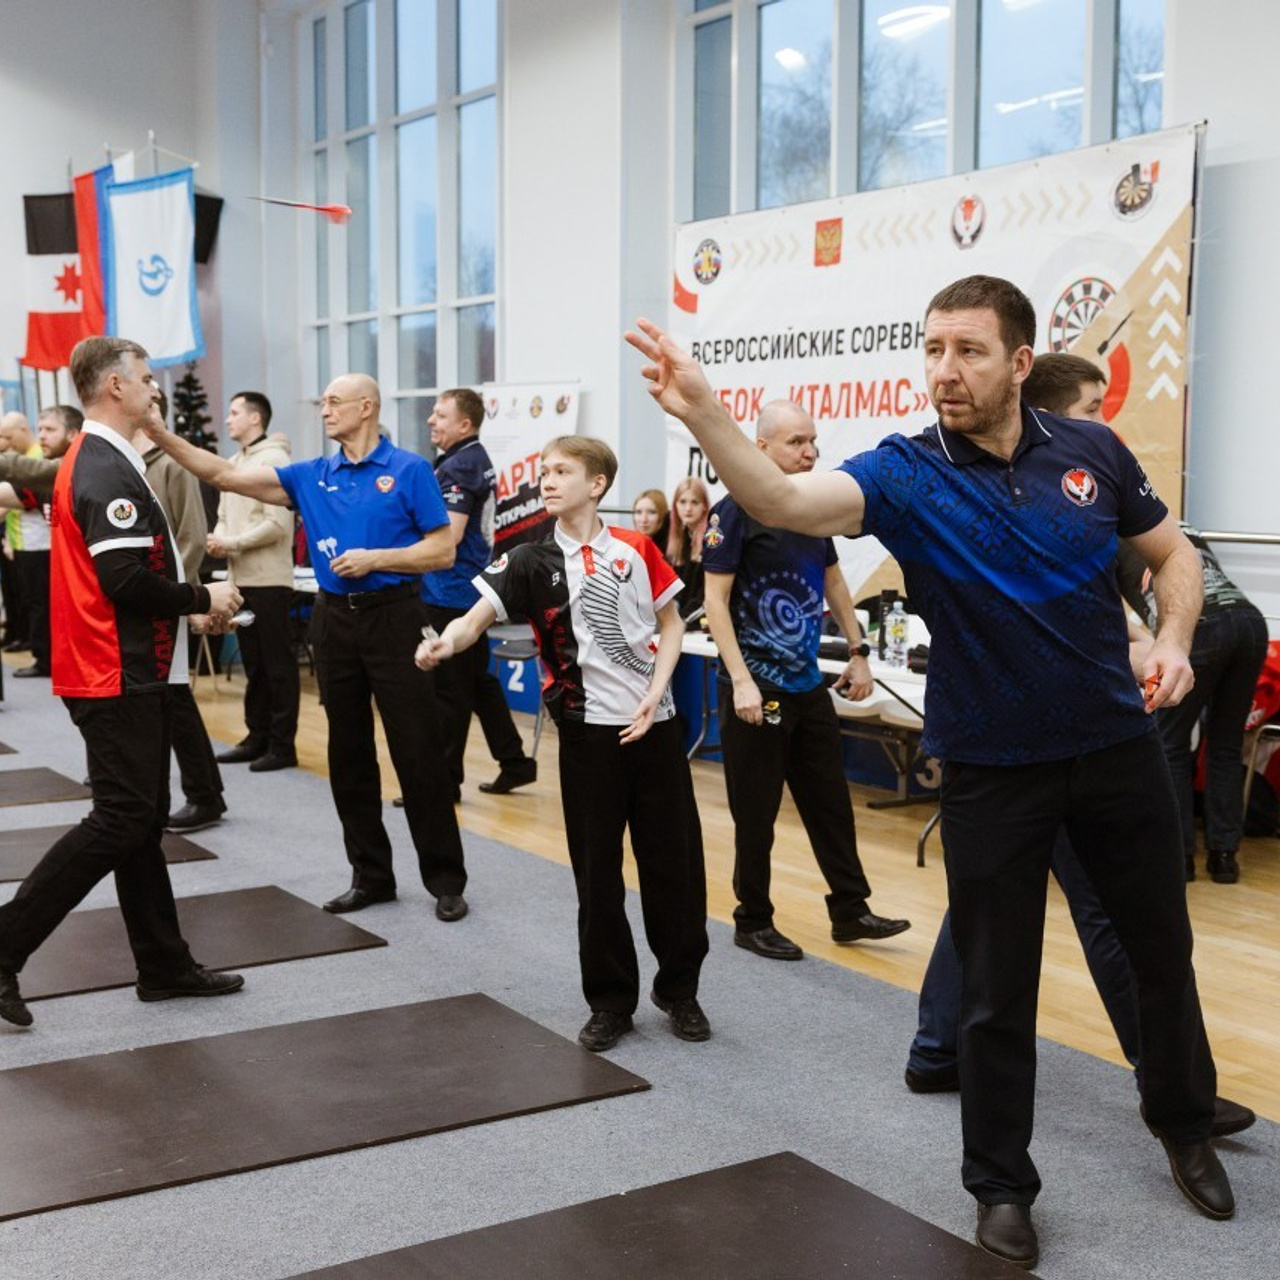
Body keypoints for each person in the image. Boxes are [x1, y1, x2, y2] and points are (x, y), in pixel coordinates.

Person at [626, 275, 1233, 1271]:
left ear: (1018, 362)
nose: (943, 369)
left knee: (1160, 953)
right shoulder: (905, 473)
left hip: (1114, 748)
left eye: (967, 350)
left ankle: (1179, 1120)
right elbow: (778, 496)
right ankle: (998, 1182)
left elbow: (1170, 556)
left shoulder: (1090, 452)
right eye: (932, 348)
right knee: (996, 987)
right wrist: (706, 412)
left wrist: (1169, 638)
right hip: (993, 765)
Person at [139, 372, 468, 923]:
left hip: (395, 618)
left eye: (334, 402)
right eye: (322, 403)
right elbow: (220, 472)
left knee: (417, 750)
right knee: (348, 752)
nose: (324, 410)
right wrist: (157, 429)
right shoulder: (312, 475)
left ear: (367, 407)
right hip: (334, 622)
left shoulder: (409, 469)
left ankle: (445, 880)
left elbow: (441, 551)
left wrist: (376, 559)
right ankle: (371, 876)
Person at [416, 437, 710, 1053]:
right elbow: (475, 617)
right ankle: (610, 1002)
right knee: (596, 874)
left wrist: (656, 694)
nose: (546, 481)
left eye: (561, 472)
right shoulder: (528, 559)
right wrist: (448, 642)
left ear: (597, 483)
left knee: (673, 869)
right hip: (585, 738)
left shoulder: (636, 548)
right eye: (544, 471)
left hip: (654, 733)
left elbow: (672, 623)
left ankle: (679, 991)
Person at [0, 337, 245, 1030]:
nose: (153, 390)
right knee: (124, 818)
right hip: (114, 668)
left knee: (139, 820)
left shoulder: (105, 456)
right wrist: (204, 598)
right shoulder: (104, 463)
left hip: (126, 667)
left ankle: (163, 963)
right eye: (144, 379)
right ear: (114, 386)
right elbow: (124, 580)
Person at [1027, 354, 1270, 886]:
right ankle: (1224, 858)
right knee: (1224, 745)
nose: (1105, 424)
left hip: (1203, 627)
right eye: (1094, 409)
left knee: (1170, 744)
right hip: (1248, 621)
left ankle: (1178, 858)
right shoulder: (1133, 501)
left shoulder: (1102, 503)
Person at [702, 399, 910, 962]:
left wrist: (860, 652)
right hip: (758, 694)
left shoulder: (810, 511)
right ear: (761, 448)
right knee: (757, 807)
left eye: (813, 440)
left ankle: (849, 910)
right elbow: (714, 604)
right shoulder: (733, 512)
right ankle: (753, 918)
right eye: (796, 441)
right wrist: (741, 681)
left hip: (806, 686)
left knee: (829, 801)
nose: (810, 451)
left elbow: (836, 585)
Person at [422, 387, 536, 797]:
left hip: (450, 591)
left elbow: (448, 537)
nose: (431, 420)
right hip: (467, 586)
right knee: (477, 683)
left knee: (449, 692)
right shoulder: (471, 458)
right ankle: (515, 761)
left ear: (464, 424)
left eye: (440, 415)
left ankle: (444, 783)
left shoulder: (460, 467)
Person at [133, 389, 230, 836]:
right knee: (169, 698)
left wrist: (180, 598)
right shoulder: (129, 463)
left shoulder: (172, 465)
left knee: (173, 699)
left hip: (168, 599)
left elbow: (191, 537)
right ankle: (204, 789)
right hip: (149, 599)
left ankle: (203, 795)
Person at [208, 391, 300, 774]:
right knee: (254, 664)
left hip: (270, 581)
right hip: (241, 581)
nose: (227, 420)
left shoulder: (275, 461)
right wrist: (218, 537)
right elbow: (224, 514)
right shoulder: (233, 462)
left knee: (278, 665)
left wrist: (230, 542)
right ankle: (256, 735)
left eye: (234, 413)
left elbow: (277, 526)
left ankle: (282, 746)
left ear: (255, 419)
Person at [1, 414, 50, 676]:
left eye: (8, 437)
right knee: (29, 602)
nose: (5, 443)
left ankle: (44, 659)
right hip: (22, 540)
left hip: (38, 543)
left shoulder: (36, 458)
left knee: (38, 604)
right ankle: (35, 648)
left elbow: (27, 498)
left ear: (22, 429)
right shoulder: (26, 456)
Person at [666, 475, 709, 623]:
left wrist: (678, 621)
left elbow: (706, 598)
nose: (688, 508)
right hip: (681, 622)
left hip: (699, 624)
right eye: (682, 502)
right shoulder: (679, 539)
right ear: (675, 505)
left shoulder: (711, 539)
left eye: (694, 502)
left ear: (704, 506)